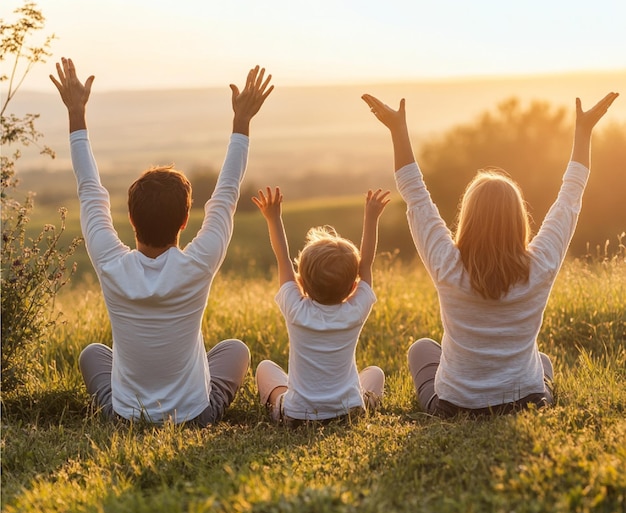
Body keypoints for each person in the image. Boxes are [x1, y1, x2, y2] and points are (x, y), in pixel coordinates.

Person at [362, 90, 619, 417]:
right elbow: (570, 198)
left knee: (421, 349)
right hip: (526, 402)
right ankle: (535, 392)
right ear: (518, 220)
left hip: (455, 406)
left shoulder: (447, 265)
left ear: (468, 219)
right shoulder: (540, 265)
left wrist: (398, 131)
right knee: (543, 363)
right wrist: (583, 134)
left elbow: (416, 196)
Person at [50, 58, 274, 425]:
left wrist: (76, 112)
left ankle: (126, 407)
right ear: (185, 221)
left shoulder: (110, 262)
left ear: (131, 221)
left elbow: (89, 190)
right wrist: (241, 122)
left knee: (93, 353)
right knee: (236, 350)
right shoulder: (198, 264)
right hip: (194, 417)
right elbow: (227, 194)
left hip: (125, 416)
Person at [253, 186, 390, 424]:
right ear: (352, 286)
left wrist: (273, 218)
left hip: (297, 416)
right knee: (375, 373)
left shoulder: (296, 310)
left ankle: (278, 405)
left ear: (301, 282)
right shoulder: (355, 311)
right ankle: (362, 402)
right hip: (349, 413)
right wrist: (371, 218)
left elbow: (282, 258)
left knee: (265, 368)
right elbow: (366, 264)